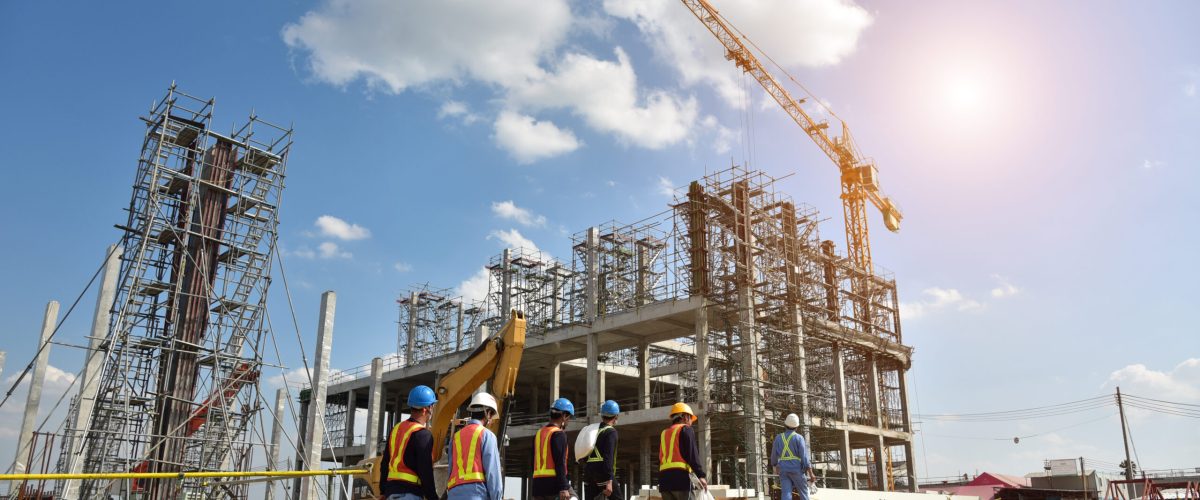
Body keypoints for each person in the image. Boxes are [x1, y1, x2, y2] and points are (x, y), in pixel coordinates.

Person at [381, 385, 439, 500]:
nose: (432, 409)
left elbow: (384, 463)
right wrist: (433, 497)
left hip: (390, 493)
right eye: (432, 406)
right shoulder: (423, 434)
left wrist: (383, 491)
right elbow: (425, 471)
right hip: (410, 493)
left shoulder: (396, 429)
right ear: (425, 409)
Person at [446, 392, 504, 500]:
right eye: (491, 416)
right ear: (488, 413)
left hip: (453, 495)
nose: (491, 420)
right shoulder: (487, 435)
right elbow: (493, 473)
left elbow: (450, 471)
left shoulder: (455, 437)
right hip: (476, 494)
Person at [658, 402, 707, 500]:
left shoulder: (664, 433)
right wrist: (700, 475)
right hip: (681, 480)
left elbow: (660, 458)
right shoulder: (686, 429)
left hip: (664, 483)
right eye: (690, 418)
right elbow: (692, 455)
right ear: (685, 417)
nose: (691, 422)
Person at [532, 398, 575, 500]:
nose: (568, 421)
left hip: (537, 487)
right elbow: (560, 462)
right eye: (569, 417)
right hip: (554, 485)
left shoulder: (539, 433)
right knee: (574, 497)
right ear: (564, 416)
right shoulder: (559, 434)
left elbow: (532, 462)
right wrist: (563, 487)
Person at [770, 413, 814, 500]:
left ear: (785, 424)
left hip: (783, 469)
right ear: (796, 427)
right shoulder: (799, 438)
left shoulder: (778, 438)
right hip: (796, 469)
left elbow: (773, 456)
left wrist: (775, 465)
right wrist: (811, 473)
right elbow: (804, 457)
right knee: (803, 493)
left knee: (786, 493)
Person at [584, 400, 622, 500]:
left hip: (589, 473)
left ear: (602, 415)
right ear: (616, 416)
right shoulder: (611, 432)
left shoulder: (594, 430)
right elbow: (608, 457)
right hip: (603, 474)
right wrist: (609, 480)